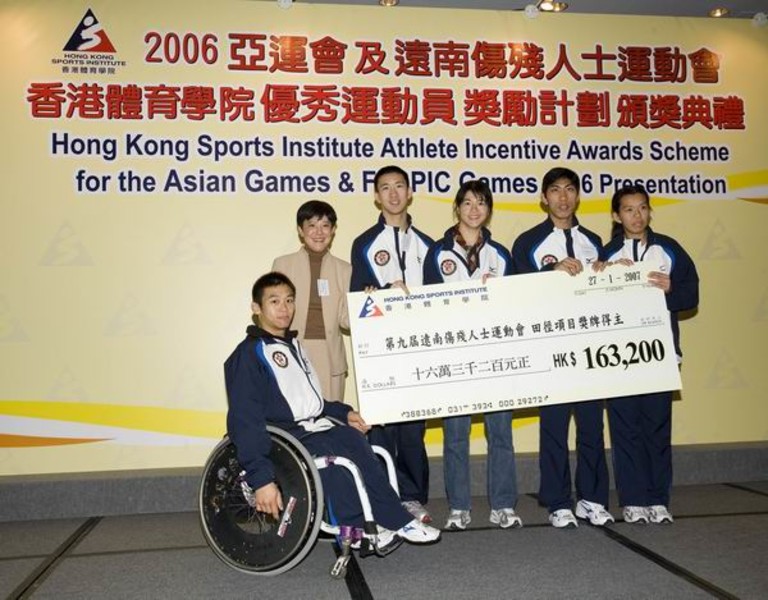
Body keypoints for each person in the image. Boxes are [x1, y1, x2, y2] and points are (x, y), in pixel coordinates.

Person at [225, 271, 441, 552]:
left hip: (308, 429)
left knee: (353, 439)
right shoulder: (248, 354)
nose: (284, 308)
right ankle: (355, 529)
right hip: (281, 438)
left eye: (289, 300)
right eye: (274, 301)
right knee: (334, 462)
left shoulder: (293, 347)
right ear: (256, 308)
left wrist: (344, 412)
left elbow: (311, 401)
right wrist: (261, 479)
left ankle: (394, 519)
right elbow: (245, 419)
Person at [510, 167, 614, 528]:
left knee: (591, 427)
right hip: (549, 347)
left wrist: (608, 274)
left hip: (588, 348)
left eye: (570, 190)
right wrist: (550, 273)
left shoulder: (595, 241)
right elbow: (516, 293)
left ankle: (592, 498)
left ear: (578, 196)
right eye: (555, 190)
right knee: (553, 428)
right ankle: (557, 501)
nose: (563, 197)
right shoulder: (527, 242)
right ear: (544, 198)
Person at [423, 180, 522, 531]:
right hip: (454, 357)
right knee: (456, 435)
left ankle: (503, 505)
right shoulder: (437, 252)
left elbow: (515, 307)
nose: (474, 209)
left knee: (500, 433)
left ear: (488, 210)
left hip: (495, 354)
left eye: (481, 203)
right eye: (467, 203)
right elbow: (428, 308)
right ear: (457, 209)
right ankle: (460, 507)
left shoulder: (502, 254)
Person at [601, 184, 699, 525]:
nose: (636, 215)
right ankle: (633, 499)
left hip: (660, 354)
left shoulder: (668, 249)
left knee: (657, 429)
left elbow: (691, 294)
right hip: (620, 357)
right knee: (625, 428)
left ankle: (659, 499)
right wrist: (604, 278)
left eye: (642, 208)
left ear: (649, 211)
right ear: (617, 215)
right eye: (628, 209)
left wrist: (671, 289)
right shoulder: (606, 254)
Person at [350, 165, 434, 524]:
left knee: (414, 430)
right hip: (381, 355)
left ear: (410, 192)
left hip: (418, 349)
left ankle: (413, 497)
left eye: (400, 186)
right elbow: (357, 300)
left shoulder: (429, 245)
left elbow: (439, 298)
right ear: (376, 196)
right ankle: (385, 498)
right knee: (381, 428)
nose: (393, 194)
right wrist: (382, 295)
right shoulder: (364, 244)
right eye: (385, 188)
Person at [272, 200, 352, 401]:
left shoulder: (345, 269)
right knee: (294, 418)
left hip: (330, 354)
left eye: (325, 226)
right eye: (312, 226)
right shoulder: (282, 264)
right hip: (293, 349)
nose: (319, 232)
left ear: (333, 230)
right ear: (301, 230)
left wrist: (369, 302)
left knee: (331, 419)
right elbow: (271, 313)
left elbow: (346, 320)